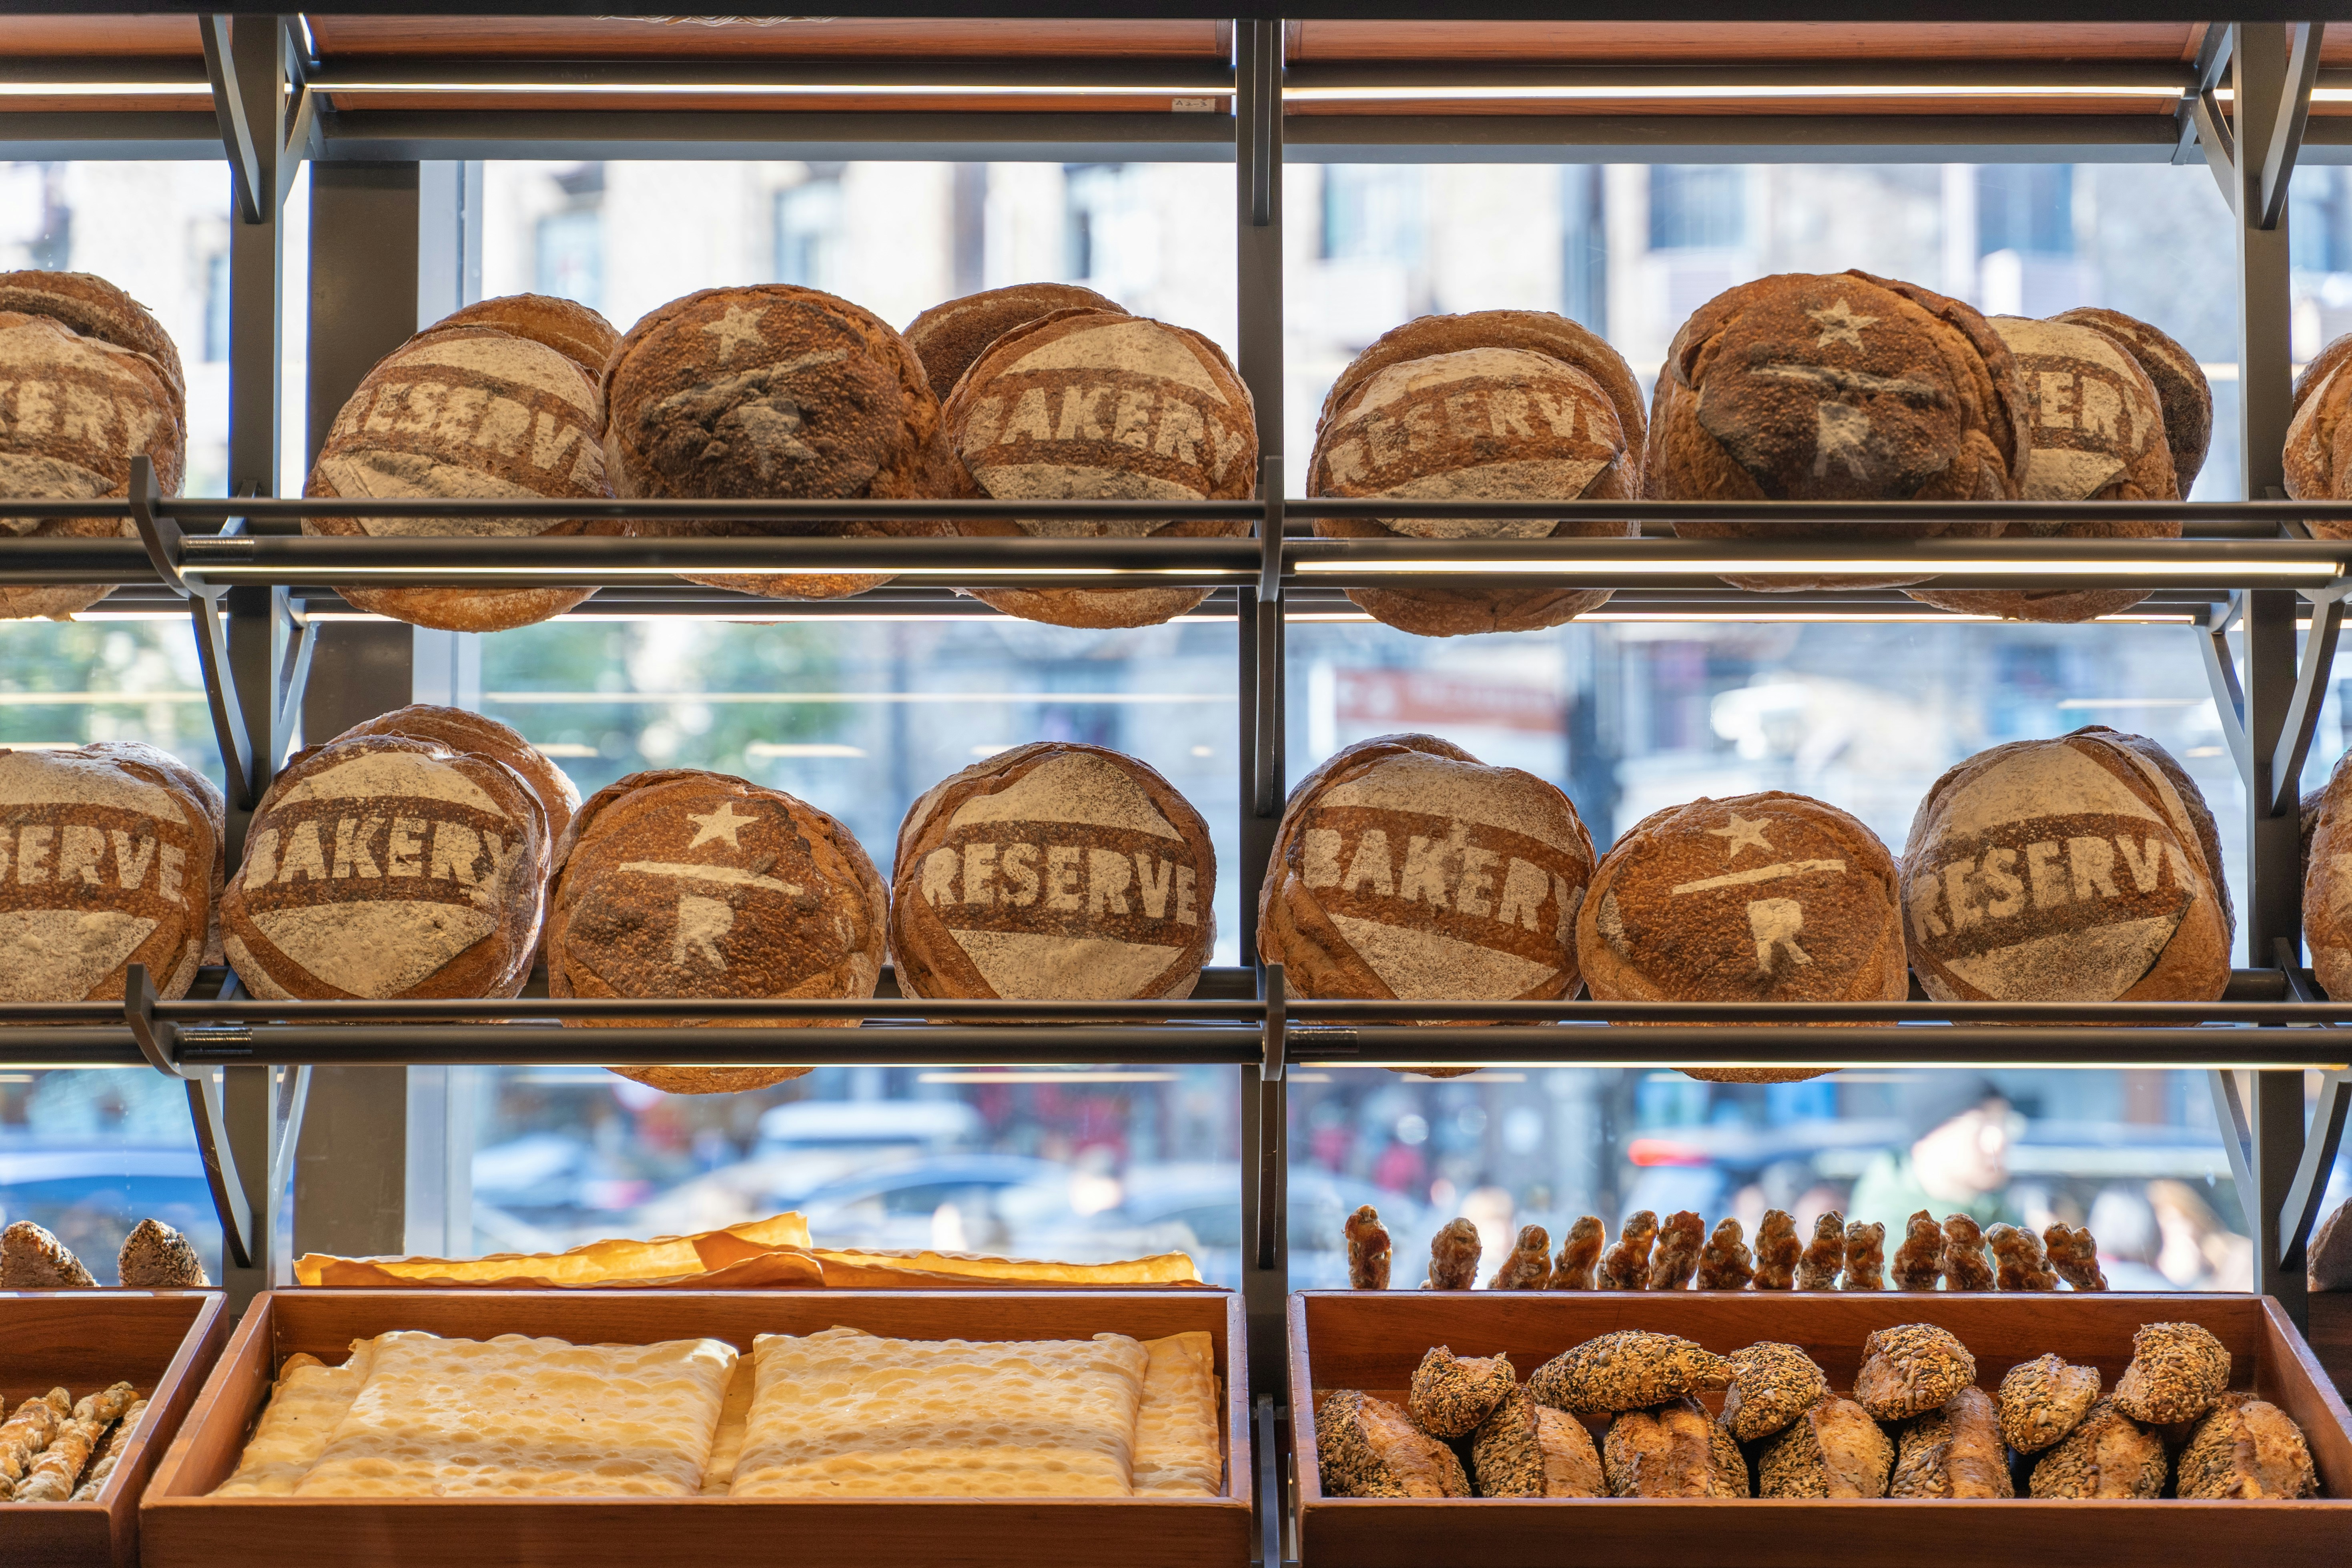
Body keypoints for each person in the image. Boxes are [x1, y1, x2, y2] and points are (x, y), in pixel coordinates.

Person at [1846, 1073, 2019, 1236]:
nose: (1999, 1141)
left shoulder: (2001, 1220)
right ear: (1927, 1138)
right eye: (1979, 1124)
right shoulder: (1879, 1239)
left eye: (2004, 1122)